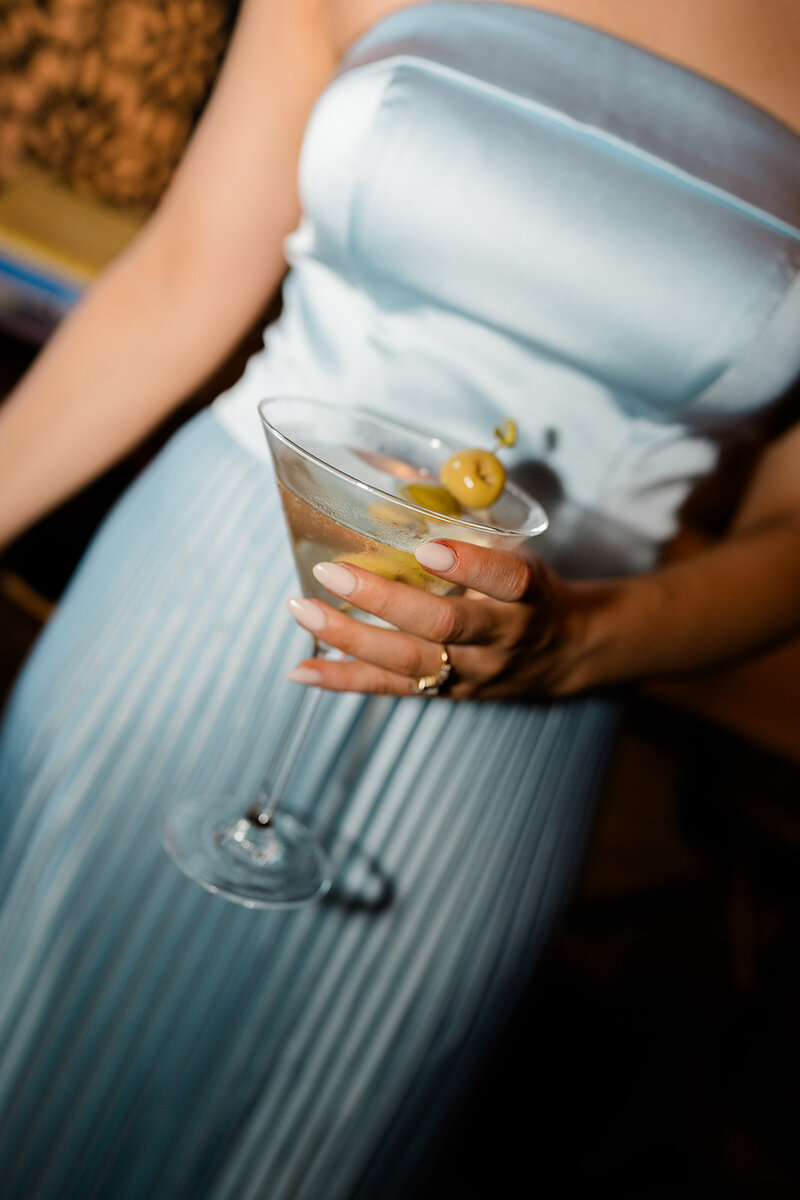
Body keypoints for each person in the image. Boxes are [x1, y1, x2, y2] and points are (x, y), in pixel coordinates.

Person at [0, 1, 798, 1196]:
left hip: (535, 695)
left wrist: (572, 645)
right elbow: (178, 283)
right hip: (214, 581)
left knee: (312, 1135)